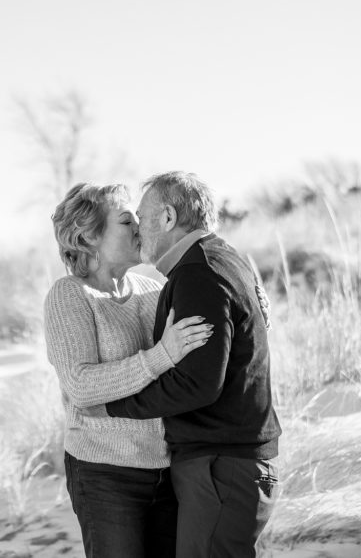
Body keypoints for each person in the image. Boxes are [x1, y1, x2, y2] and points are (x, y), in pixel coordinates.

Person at [105, 171, 282, 558]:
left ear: (168, 217)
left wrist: (115, 406)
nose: (137, 228)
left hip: (221, 468)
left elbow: (198, 383)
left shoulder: (198, 272)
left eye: (142, 215)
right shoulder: (220, 258)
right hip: (228, 466)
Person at [45, 182, 214, 558]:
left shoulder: (152, 288)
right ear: (89, 236)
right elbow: (81, 386)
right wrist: (160, 356)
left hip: (168, 470)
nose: (140, 227)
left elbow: (207, 326)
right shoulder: (69, 295)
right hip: (105, 475)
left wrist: (249, 297)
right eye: (126, 221)